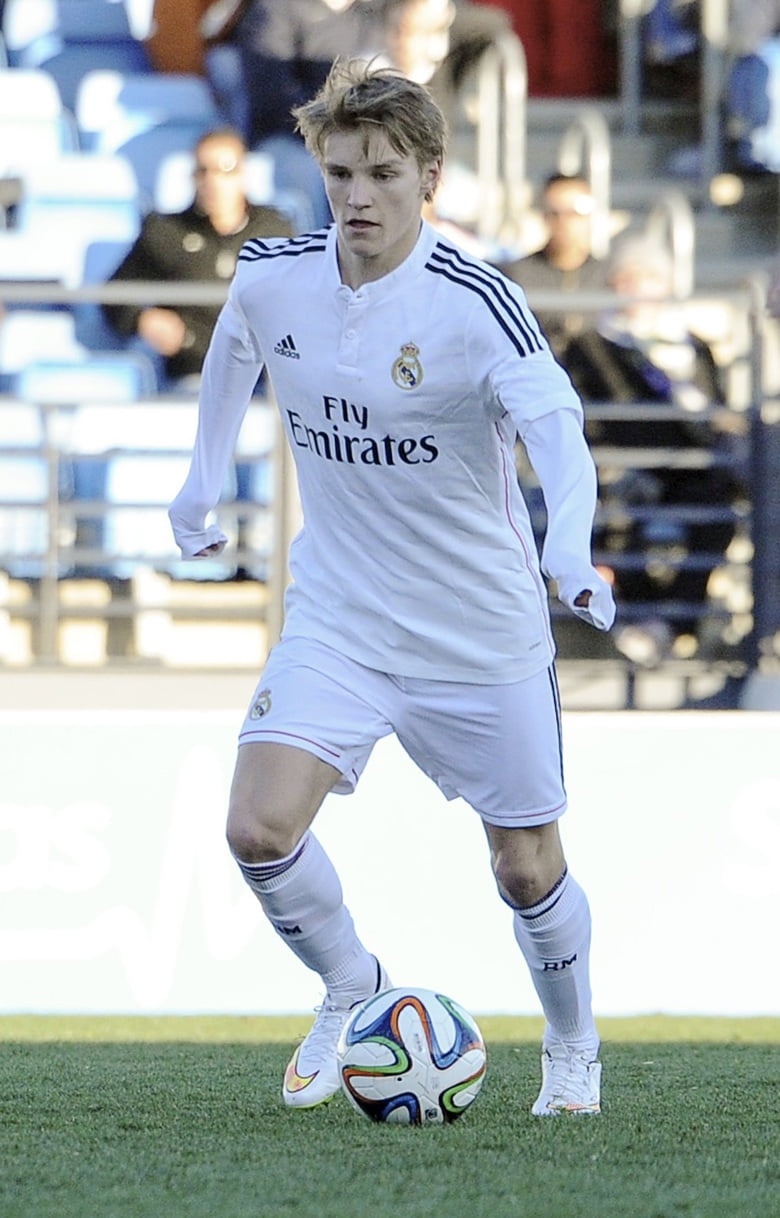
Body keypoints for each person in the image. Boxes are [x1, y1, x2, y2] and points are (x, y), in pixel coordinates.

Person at [169, 59, 615, 1117]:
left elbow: (559, 430)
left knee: (525, 868)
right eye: (338, 175)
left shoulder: (476, 301)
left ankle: (572, 1043)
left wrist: (572, 546)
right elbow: (235, 348)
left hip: (479, 633)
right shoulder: (277, 274)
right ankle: (350, 985)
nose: (357, 197)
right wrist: (199, 487)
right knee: (257, 830)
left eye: (379, 173)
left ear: (430, 176)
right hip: (342, 618)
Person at [561, 234, 746, 665]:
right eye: (627, 278)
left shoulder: (691, 346)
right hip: (623, 466)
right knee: (619, 508)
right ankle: (639, 618)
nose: (637, 288)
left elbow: (713, 407)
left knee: (718, 508)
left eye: (648, 278)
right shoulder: (589, 345)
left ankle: (671, 626)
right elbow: (589, 415)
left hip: (690, 466)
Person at [102, 127, 293, 390]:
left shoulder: (275, 230)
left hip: (265, 379)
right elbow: (112, 295)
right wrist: (143, 319)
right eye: (203, 170)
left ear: (243, 175)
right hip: (195, 374)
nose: (213, 181)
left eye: (225, 169)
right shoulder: (165, 231)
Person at [497, 174, 610, 361]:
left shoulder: (609, 275)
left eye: (575, 212)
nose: (564, 222)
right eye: (554, 212)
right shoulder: (516, 275)